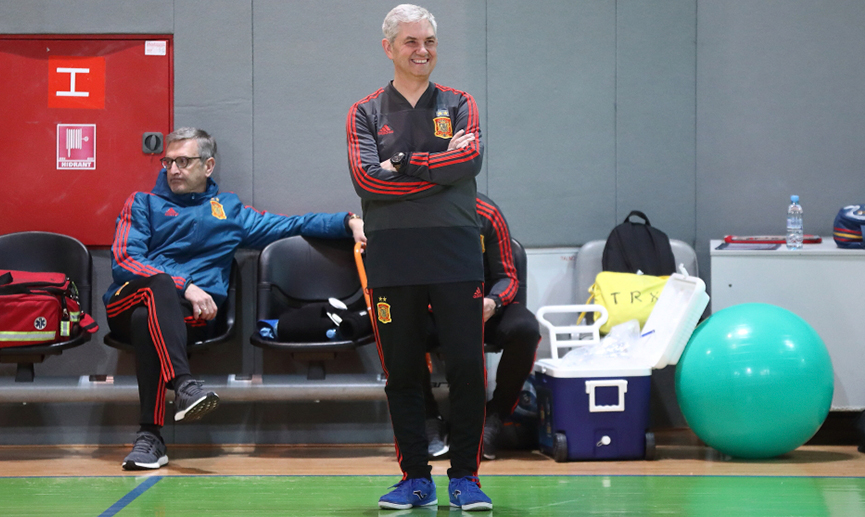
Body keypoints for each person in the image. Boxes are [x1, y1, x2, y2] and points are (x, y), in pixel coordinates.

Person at [105, 127, 365, 471]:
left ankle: (150, 437)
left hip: (185, 315)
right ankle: (183, 384)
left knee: (147, 322)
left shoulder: (227, 211)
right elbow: (126, 260)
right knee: (157, 288)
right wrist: (184, 285)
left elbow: (291, 225)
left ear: (208, 165)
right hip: (129, 301)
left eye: (184, 161)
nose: (173, 169)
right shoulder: (142, 203)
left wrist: (348, 221)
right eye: (168, 161)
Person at [346, 4, 492, 511]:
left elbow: (469, 160)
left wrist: (404, 162)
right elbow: (366, 180)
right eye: (411, 41)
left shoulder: (460, 102)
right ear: (389, 47)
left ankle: (466, 479)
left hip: (454, 253)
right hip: (393, 257)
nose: (422, 50)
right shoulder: (365, 111)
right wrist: (439, 170)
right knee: (403, 372)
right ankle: (414, 478)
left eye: (429, 40)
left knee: (468, 369)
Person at [423, 194, 540, 461]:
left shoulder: (486, 213)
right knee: (402, 331)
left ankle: (494, 417)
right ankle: (429, 420)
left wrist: (493, 302)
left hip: (485, 309)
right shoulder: (418, 211)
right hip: (436, 309)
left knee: (526, 329)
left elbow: (508, 277)